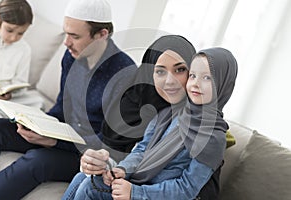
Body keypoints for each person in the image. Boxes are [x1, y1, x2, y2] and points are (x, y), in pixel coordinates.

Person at [0, 0, 136, 199]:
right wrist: (38, 125)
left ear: (101, 35)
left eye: (75, 36)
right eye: (66, 33)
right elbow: (61, 108)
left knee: (37, 160)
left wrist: (54, 142)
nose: (66, 42)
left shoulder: (126, 77)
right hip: (61, 134)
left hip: (86, 155)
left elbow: (111, 146)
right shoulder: (71, 56)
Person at [70, 47, 238, 200]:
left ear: (223, 83)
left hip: (154, 193)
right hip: (141, 182)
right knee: (83, 178)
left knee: (90, 187)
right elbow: (142, 149)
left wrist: (135, 193)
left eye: (207, 78)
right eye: (192, 75)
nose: (195, 83)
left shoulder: (213, 137)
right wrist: (123, 170)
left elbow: (187, 189)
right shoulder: (171, 112)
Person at [0, 0, 44, 117]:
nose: (14, 37)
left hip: (7, 98)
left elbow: (21, 82)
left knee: (38, 102)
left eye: (20, 33)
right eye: (9, 30)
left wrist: (9, 95)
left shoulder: (24, 49)